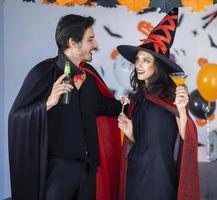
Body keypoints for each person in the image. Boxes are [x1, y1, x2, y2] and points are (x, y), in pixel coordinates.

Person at [8, 14, 123, 200]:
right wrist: (48, 103)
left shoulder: (89, 76)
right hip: (57, 171)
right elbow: (17, 117)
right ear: (72, 42)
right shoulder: (43, 73)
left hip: (88, 168)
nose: (95, 45)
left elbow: (103, 107)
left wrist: (132, 103)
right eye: (90, 39)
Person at [116, 8, 201, 200]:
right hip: (135, 174)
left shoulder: (170, 96)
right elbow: (145, 142)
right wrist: (131, 133)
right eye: (138, 60)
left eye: (146, 61)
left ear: (158, 66)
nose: (139, 65)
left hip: (160, 178)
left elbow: (187, 137)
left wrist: (181, 111)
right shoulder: (137, 99)